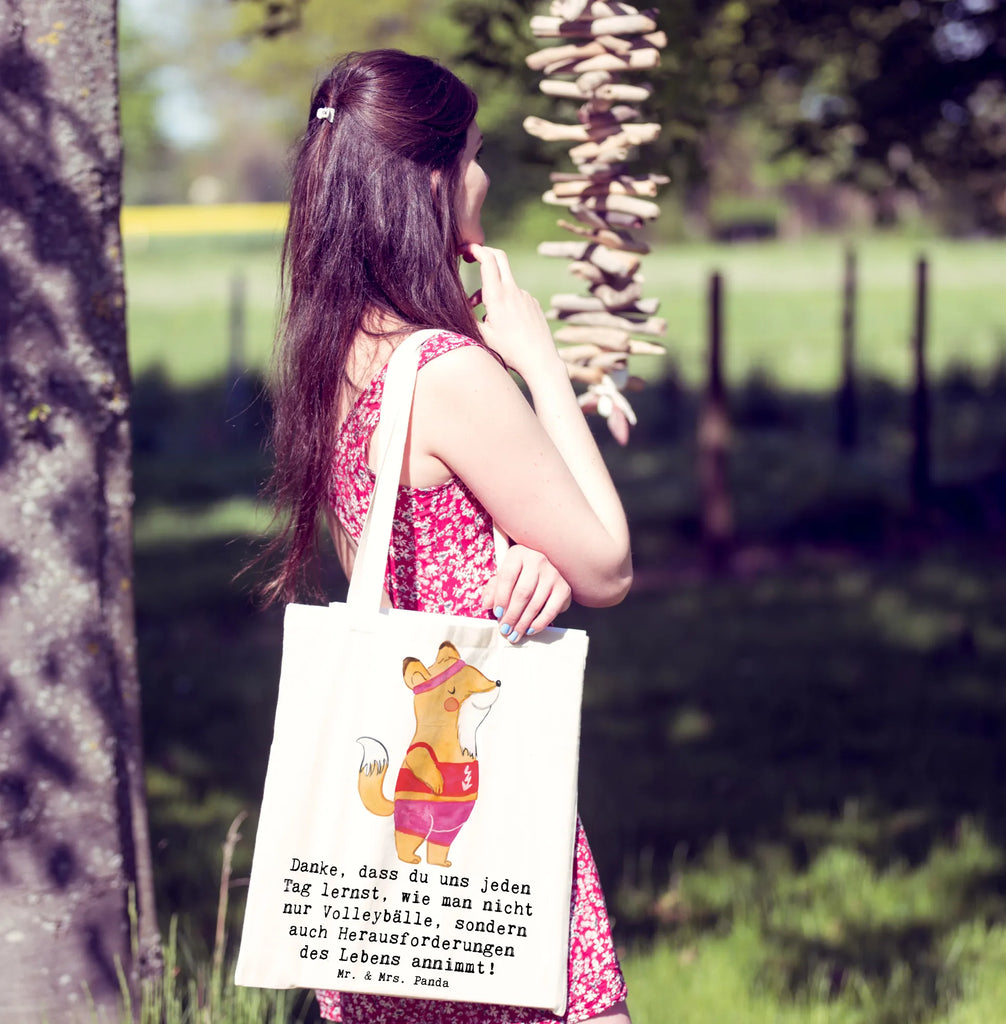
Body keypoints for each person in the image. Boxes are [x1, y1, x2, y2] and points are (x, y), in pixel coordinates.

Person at [261, 48, 633, 1024]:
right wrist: (540, 363)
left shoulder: (336, 353)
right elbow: (608, 562)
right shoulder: (449, 372)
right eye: (471, 154)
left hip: (384, 880)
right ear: (429, 179)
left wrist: (517, 554)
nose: (484, 177)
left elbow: (396, 556)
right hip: (480, 842)